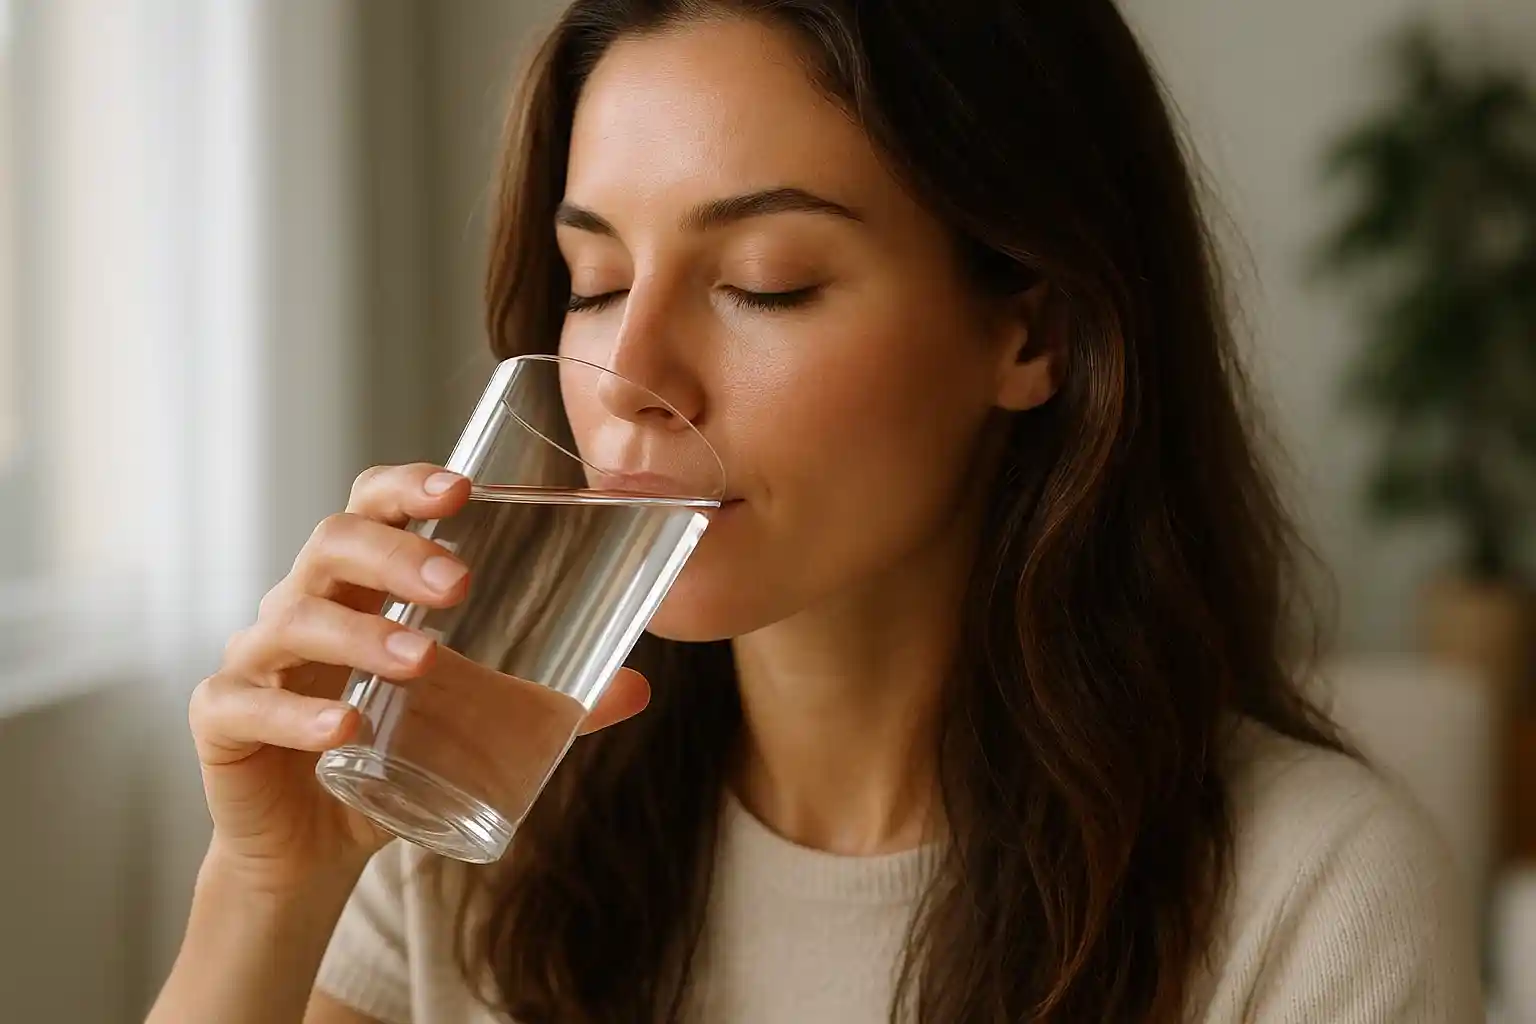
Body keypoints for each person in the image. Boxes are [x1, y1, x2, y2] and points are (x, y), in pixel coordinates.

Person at [147, 1, 1483, 1021]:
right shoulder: (470, 844)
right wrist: (266, 891)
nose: (634, 383)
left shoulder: (1311, 895)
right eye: (597, 279)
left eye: (768, 283)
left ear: (1035, 331)